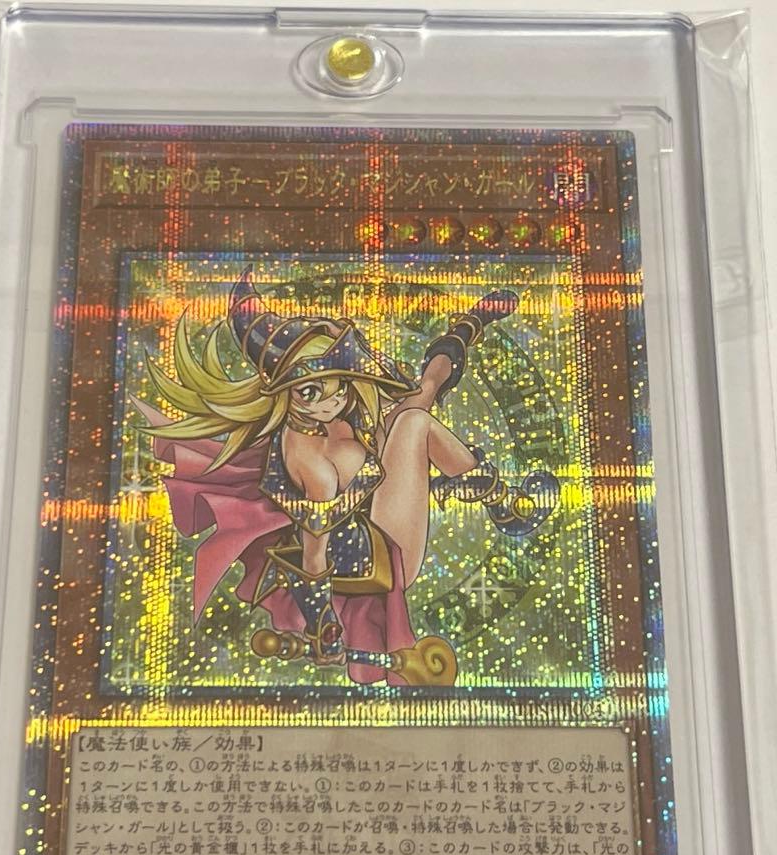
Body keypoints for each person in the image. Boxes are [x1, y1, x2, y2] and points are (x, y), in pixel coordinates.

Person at [132, 267, 558, 683]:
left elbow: (384, 418)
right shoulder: (311, 463)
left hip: (376, 510)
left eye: (338, 382)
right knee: (413, 423)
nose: (333, 398)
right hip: (381, 555)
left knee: (422, 394)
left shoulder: (336, 413)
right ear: (286, 391)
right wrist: (324, 627)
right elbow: (314, 557)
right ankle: (506, 504)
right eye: (312, 391)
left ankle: (466, 327)